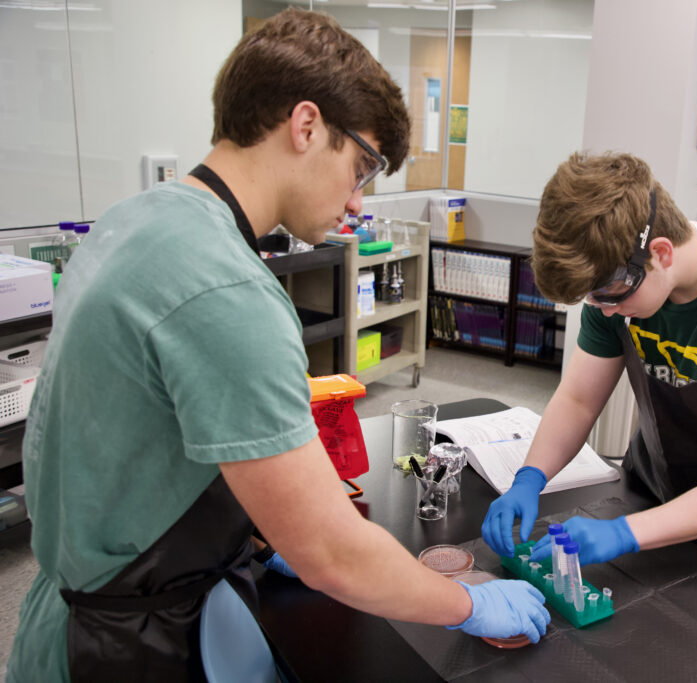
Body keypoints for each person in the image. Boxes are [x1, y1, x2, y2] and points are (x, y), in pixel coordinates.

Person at [9, 10, 547, 681]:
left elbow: (147, 437)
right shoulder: (226, 286)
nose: (358, 201)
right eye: (361, 166)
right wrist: (465, 601)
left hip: (73, 602)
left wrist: (259, 532)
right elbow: (333, 553)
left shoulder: (136, 218)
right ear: (306, 126)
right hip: (123, 648)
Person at [482, 152, 697, 568]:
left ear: (660, 253)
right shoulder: (618, 285)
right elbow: (578, 400)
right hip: (650, 497)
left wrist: (624, 534)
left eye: (608, 296)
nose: (603, 311)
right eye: (593, 299)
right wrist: (530, 478)